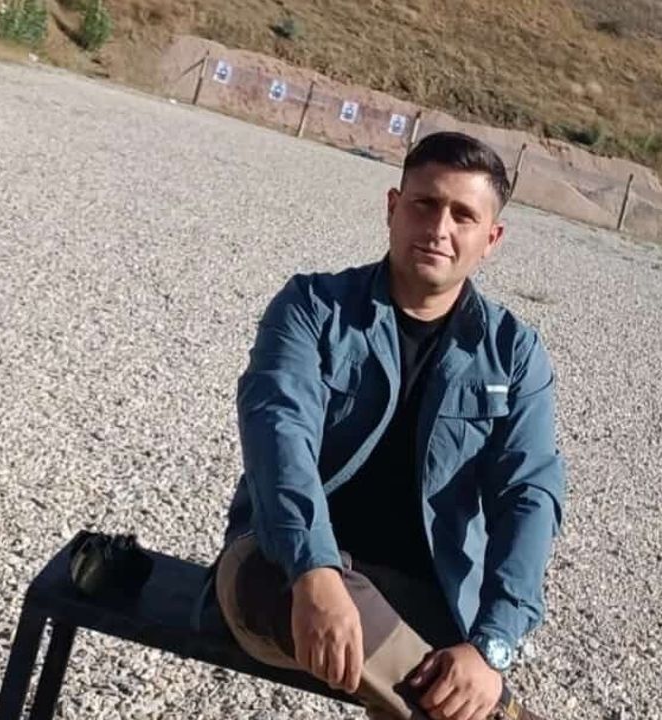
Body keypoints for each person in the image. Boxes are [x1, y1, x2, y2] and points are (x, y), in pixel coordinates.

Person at [209, 131, 566, 720]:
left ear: (491, 239)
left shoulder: (514, 355)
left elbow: (530, 493)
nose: (439, 228)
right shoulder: (311, 309)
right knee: (446, 695)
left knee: (448, 672)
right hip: (281, 568)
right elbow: (279, 434)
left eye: (463, 215)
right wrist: (316, 570)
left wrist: (490, 646)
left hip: (423, 595)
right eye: (425, 204)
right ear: (393, 208)